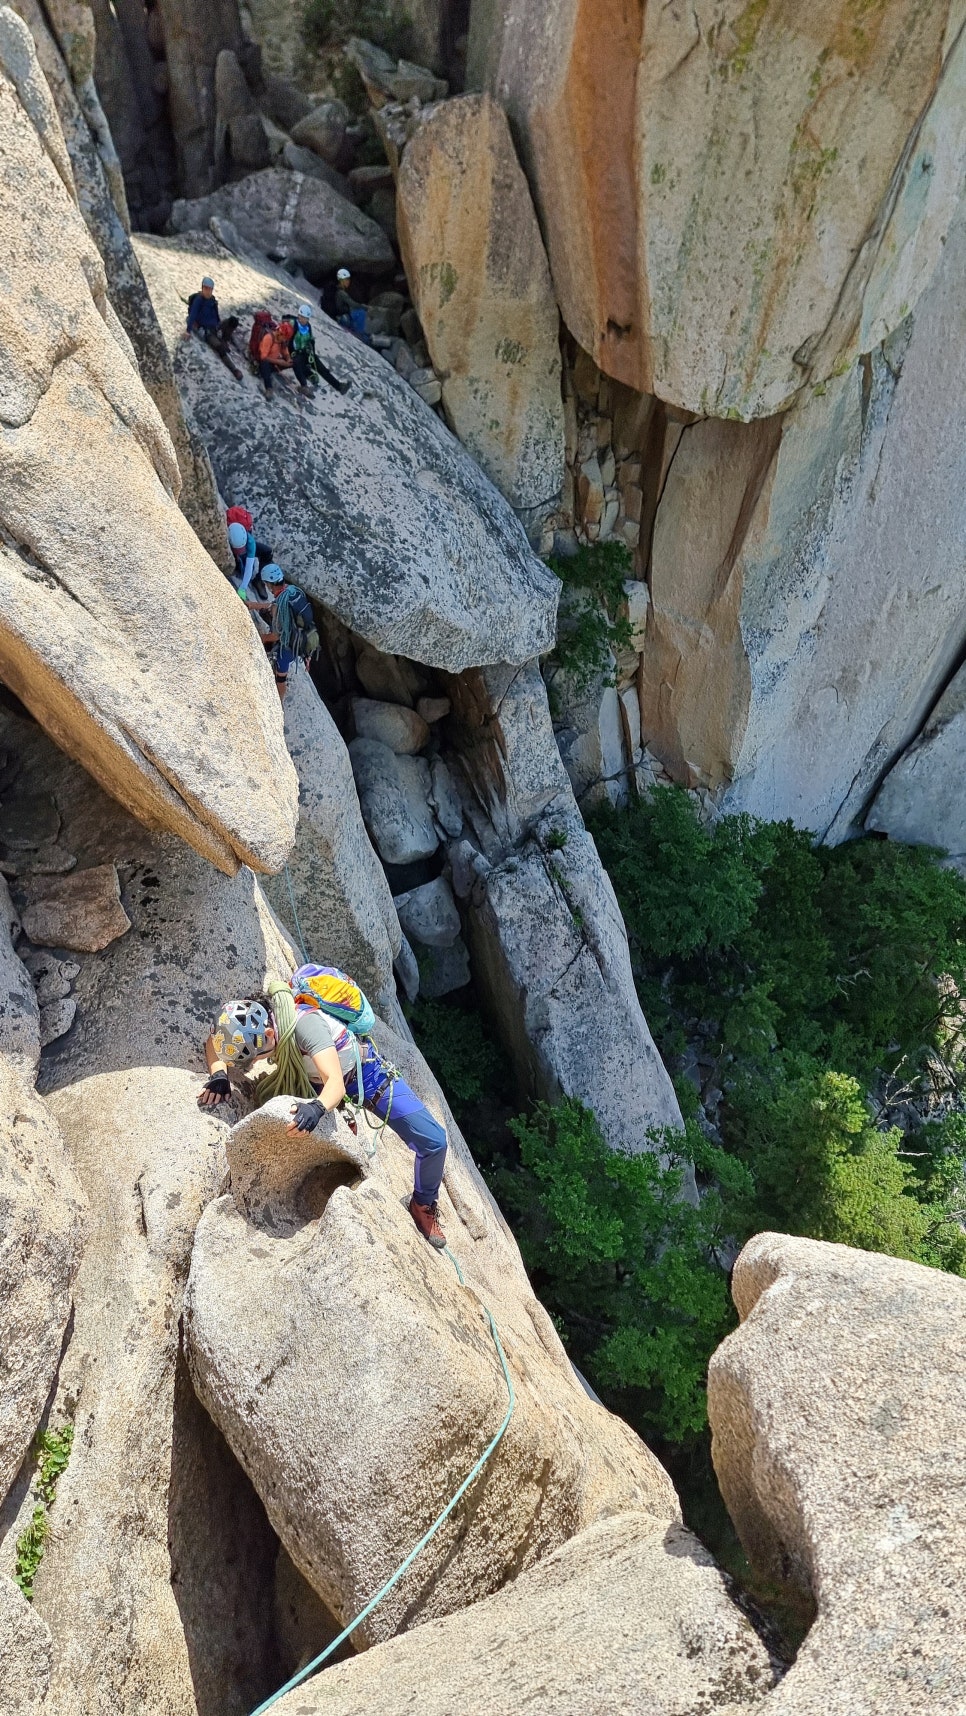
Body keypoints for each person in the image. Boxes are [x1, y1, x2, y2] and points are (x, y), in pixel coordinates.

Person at [197, 985, 448, 1248]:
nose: (250, 1066)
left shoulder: (306, 1027)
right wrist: (219, 1076)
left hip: (365, 1075)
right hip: (313, 1079)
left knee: (434, 1142)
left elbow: (335, 1086)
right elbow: (215, 1043)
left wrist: (317, 1108)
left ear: (270, 1034)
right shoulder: (250, 1022)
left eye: (254, 1058)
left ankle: (422, 1203)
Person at [247, 563, 319, 699]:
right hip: (303, 634)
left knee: (280, 677)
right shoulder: (292, 591)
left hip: (289, 647)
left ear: (269, 584)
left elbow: (276, 635)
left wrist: (259, 638)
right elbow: (274, 605)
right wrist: (254, 605)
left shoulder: (279, 607)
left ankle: (280, 701)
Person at [182, 276, 242, 379]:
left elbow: (216, 314)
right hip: (206, 330)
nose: (207, 291)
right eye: (205, 288)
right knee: (220, 347)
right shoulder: (198, 300)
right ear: (202, 288)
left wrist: (219, 325)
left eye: (209, 289)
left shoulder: (212, 300)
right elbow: (192, 315)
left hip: (215, 326)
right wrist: (188, 330)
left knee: (232, 321)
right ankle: (234, 369)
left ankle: (225, 339)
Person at [291, 304, 350, 397]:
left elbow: (310, 340)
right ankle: (304, 386)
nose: (303, 319)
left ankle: (339, 386)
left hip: (306, 353)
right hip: (296, 354)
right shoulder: (293, 326)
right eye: (301, 317)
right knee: (297, 362)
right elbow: (289, 342)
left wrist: (311, 352)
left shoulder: (308, 327)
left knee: (321, 368)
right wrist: (293, 353)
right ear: (298, 316)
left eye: (305, 318)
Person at [226, 512, 275, 601]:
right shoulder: (226, 534)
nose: (241, 551)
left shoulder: (250, 542)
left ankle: (258, 580)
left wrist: (243, 588)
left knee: (268, 552)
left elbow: (249, 567)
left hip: (246, 548)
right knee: (241, 567)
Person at [258, 319, 294, 398]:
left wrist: (288, 359)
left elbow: (285, 352)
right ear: (280, 333)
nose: (284, 340)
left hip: (274, 363)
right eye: (284, 338)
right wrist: (279, 362)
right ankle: (269, 388)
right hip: (264, 363)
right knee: (265, 364)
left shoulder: (281, 341)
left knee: (293, 362)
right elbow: (263, 357)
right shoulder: (269, 338)